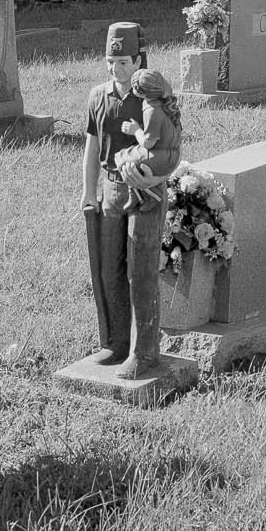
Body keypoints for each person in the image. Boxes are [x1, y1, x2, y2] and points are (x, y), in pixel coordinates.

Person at [79, 22, 176, 378]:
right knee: (110, 269)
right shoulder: (97, 96)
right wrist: (88, 190)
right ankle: (116, 342)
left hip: (146, 193)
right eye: (110, 61)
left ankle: (145, 352)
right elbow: (92, 146)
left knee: (143, 270)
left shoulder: (152, 99)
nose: (115, 69)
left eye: (122, 62)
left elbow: (171, 148)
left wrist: (156, 176)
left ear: (138, 61)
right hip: (112, 189)